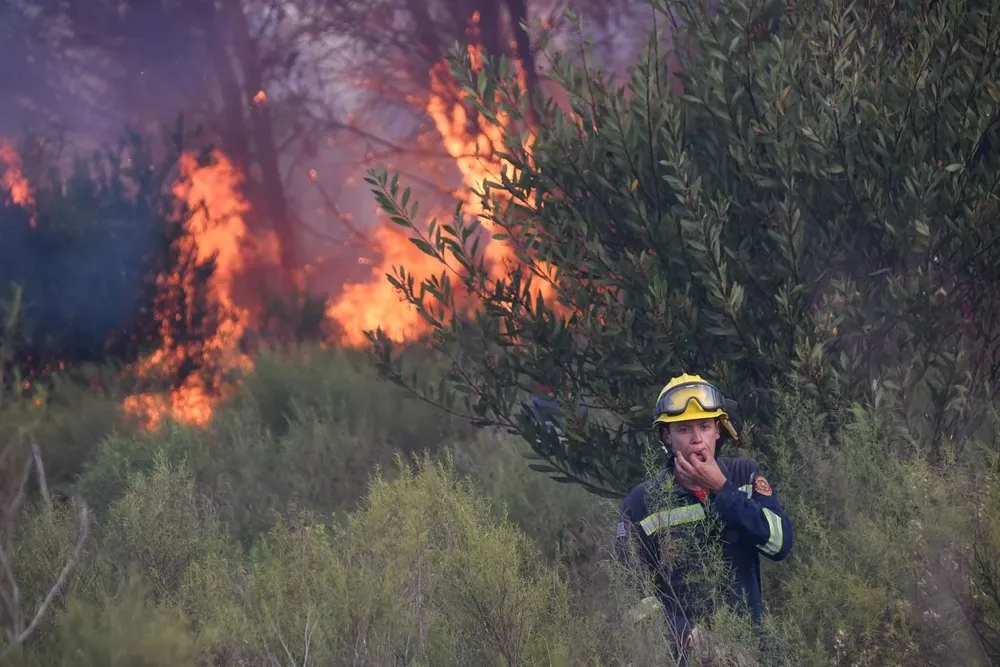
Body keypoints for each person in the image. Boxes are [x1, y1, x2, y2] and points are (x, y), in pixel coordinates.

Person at [614, 373, 794, 660]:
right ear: (666, 436)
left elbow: (780, 544)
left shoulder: (743, 475)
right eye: (683, 429)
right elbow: (630, 593)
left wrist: (722, 489)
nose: (697, 439)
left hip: (750, 650)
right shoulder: (642, 502)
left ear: (718, 431)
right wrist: (685, 634)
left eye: (705, 426)